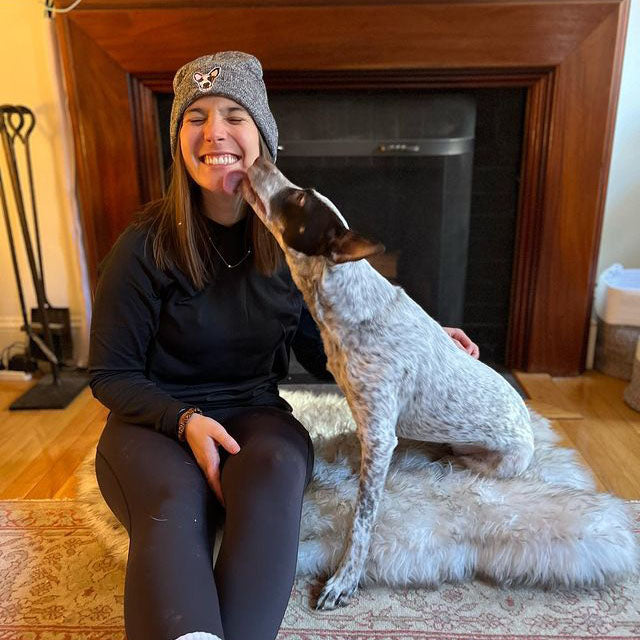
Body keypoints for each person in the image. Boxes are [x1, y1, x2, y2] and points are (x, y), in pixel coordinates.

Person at [89, 50, 479, 640]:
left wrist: (423, 344)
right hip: (154, 422)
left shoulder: (291, 252)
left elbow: (328, 351)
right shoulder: (142, 247)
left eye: (232, 115)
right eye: (195, 118)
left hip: (253, 414)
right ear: (179, 141)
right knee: (173, 504)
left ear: (262, 136)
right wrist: (185, 420)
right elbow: (110, 375)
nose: (214, 132)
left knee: (274, 475)